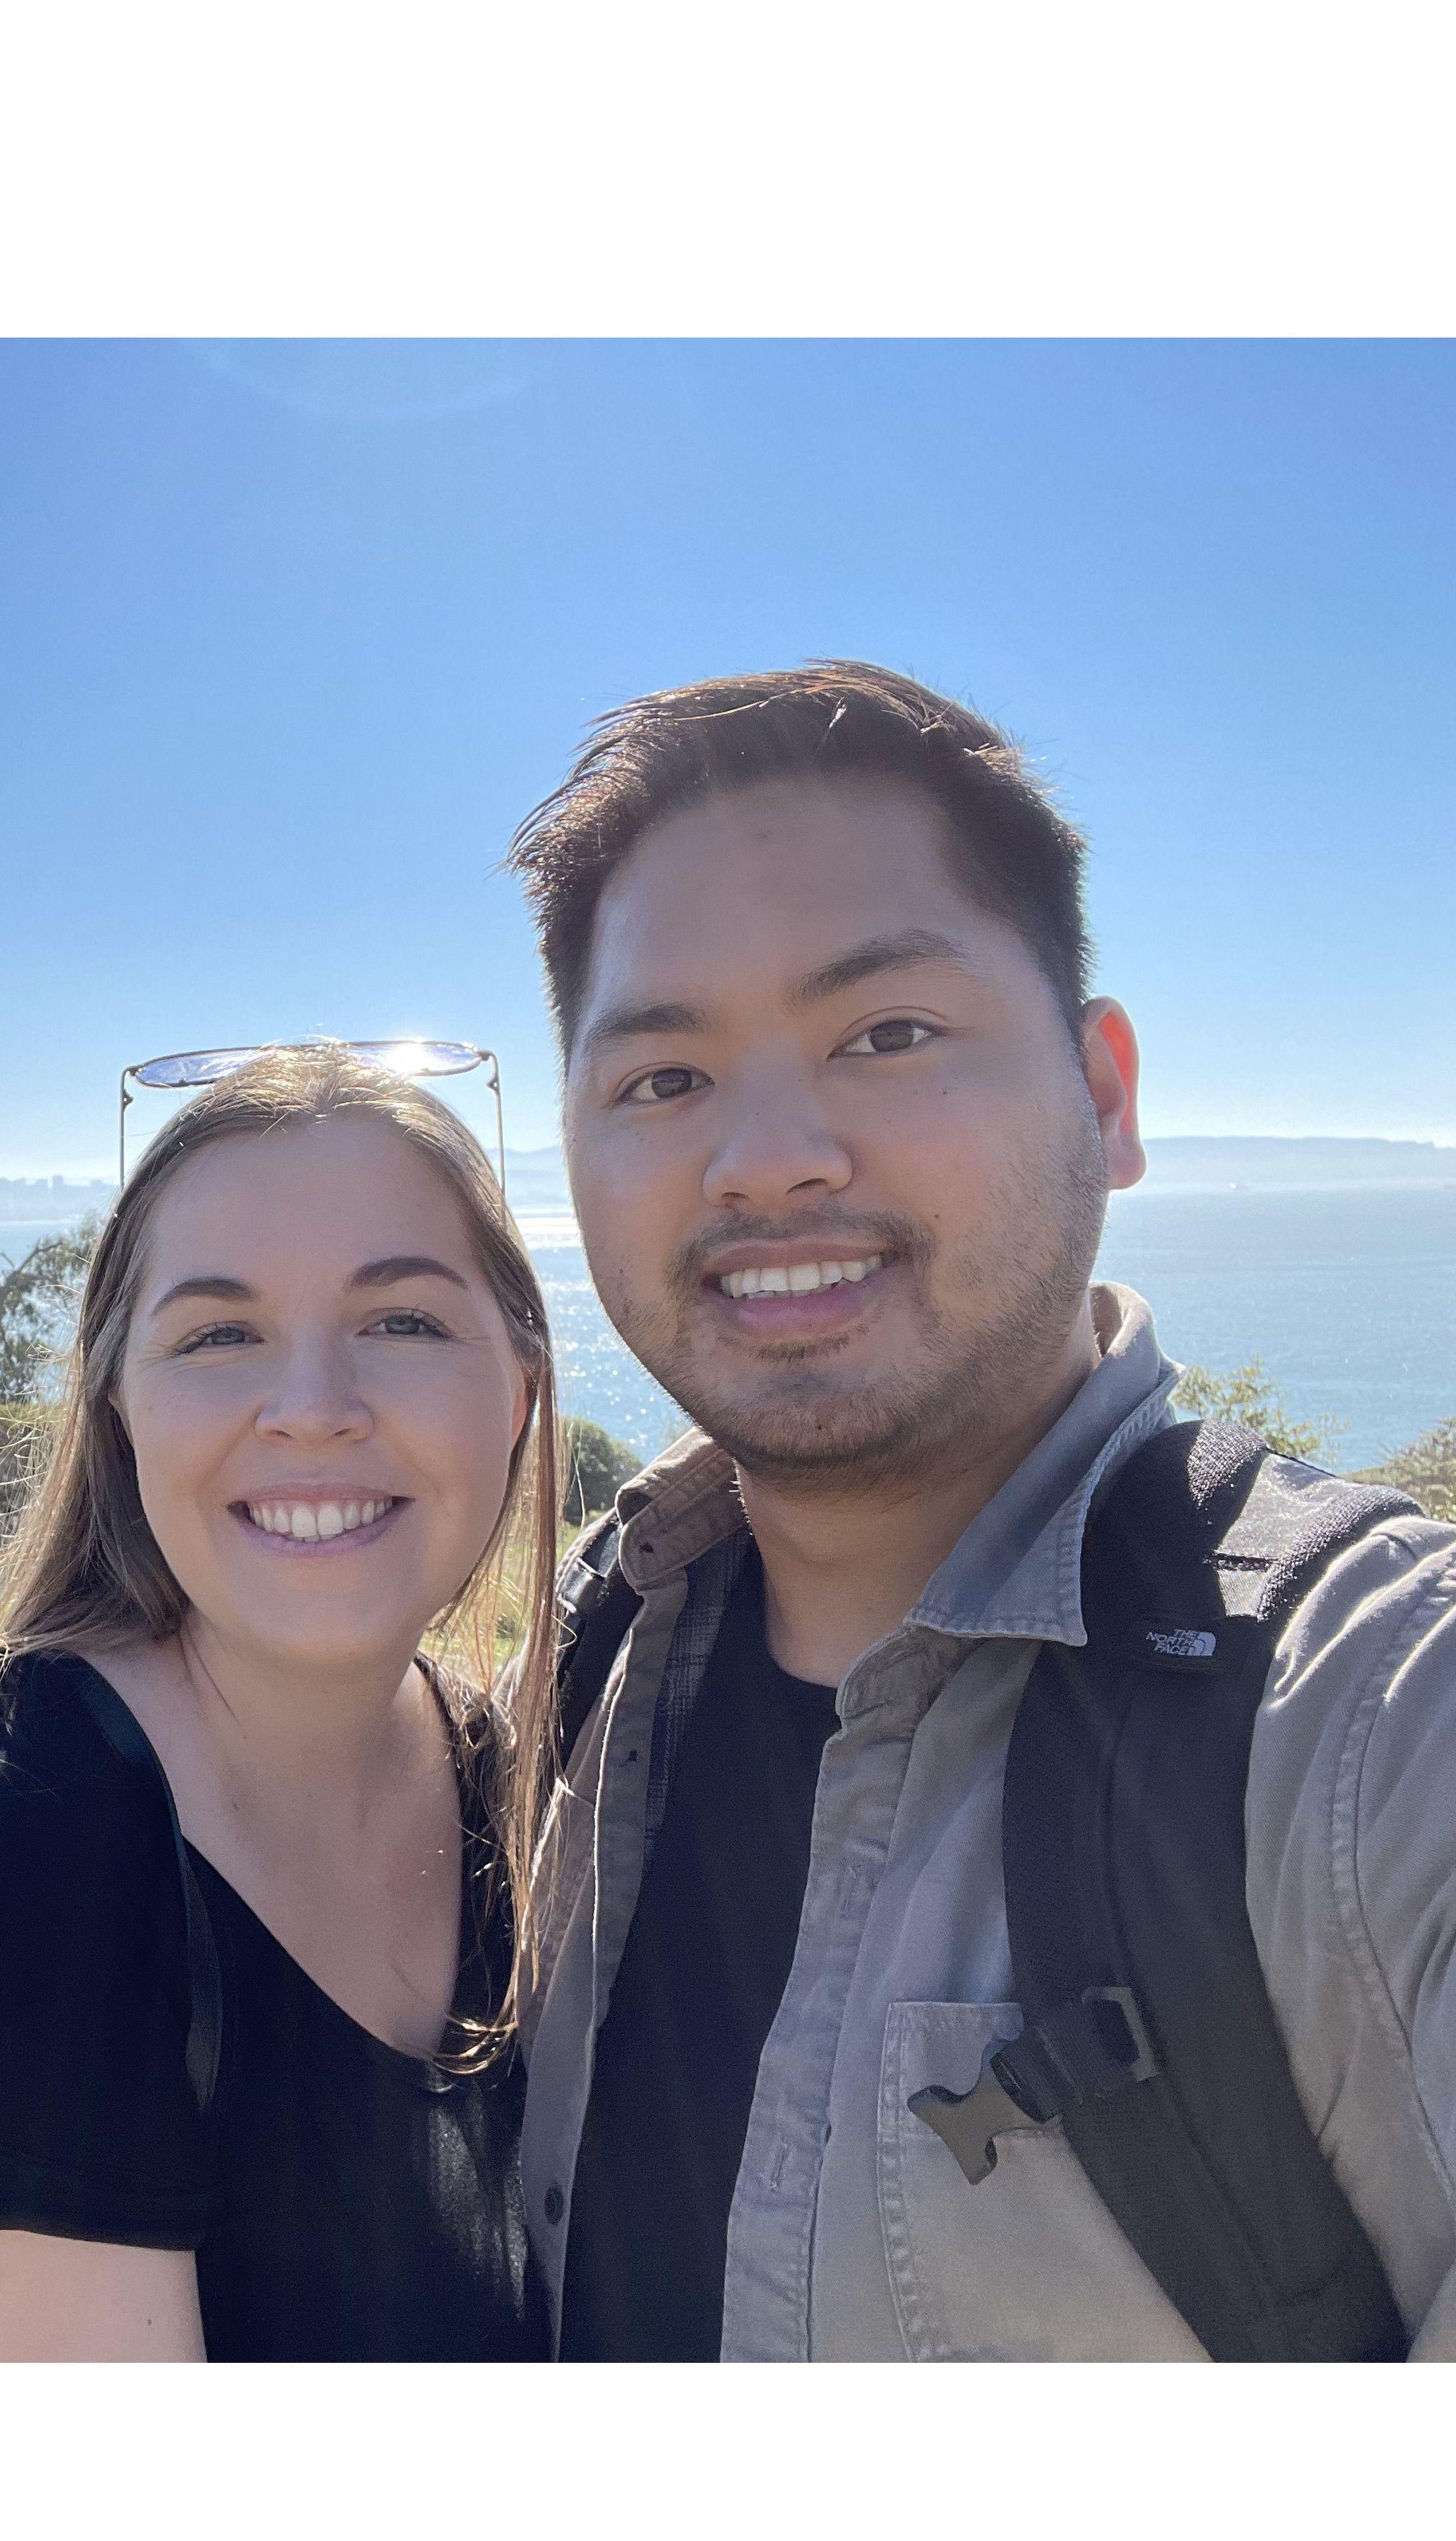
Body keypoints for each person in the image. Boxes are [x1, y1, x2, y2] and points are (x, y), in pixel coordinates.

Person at [506, 660, 1456, 2360]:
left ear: (1107, 1095)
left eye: (887, 1034)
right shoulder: (589, 1656)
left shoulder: (1374, 1717)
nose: (767, 1158)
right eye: (662, 1078)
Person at [0, 1045, 560, 2359]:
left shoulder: (523, 1784)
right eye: (218, 1334)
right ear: (120, 1405)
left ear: (519, 1385)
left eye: (404, 1321)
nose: (311, 1411)